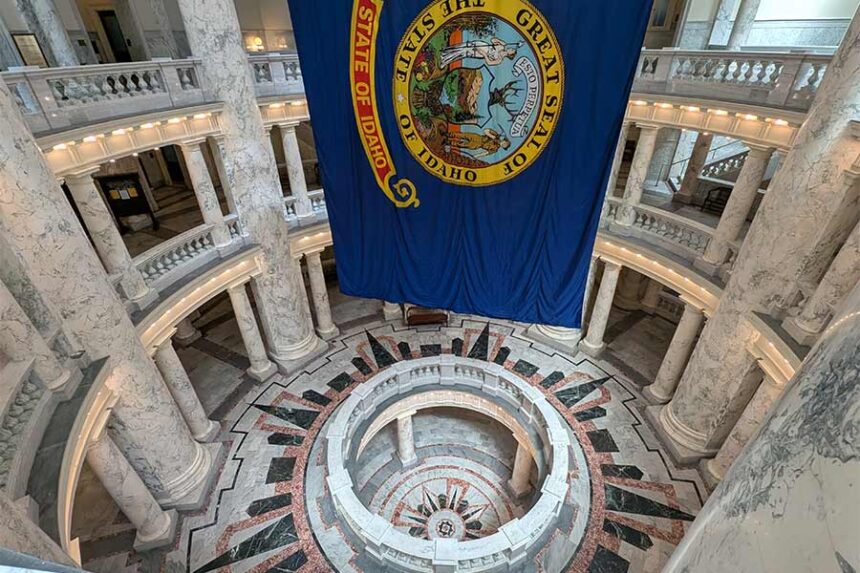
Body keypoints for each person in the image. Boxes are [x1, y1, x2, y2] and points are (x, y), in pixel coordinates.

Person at [440, 38, 519, 68]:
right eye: (512, 49)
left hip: (481, 53)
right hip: (483, 45)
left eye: (512, 50)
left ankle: (445, 61)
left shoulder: (499, 60)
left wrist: (484, 54)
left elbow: (489, 63)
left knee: (463, 53)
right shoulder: (502, 46)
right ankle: (445, 54)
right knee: (462, 46)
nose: (511, 49)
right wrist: (502, 42)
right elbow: (493, 40)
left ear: (510, 54)